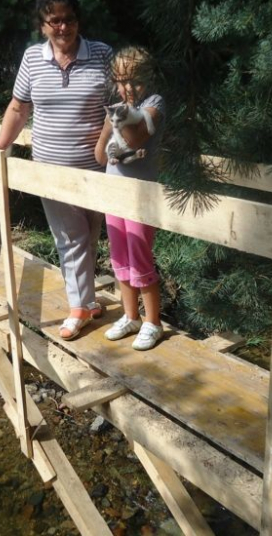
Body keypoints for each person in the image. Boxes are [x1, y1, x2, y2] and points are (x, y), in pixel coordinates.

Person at [0, 0, 111, 340]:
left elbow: (122, 102)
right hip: (50, 169)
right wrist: (0, 143)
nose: (62, 27)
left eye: (68, 19)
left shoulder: (102, 55)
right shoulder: (32, 59)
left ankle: (87, 299)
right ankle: (80, 307)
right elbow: (18, 107)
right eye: (54, 21)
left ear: (78, 20)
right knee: (70, 238)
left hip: (97, 169)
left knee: (90, 234)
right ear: (43, 25)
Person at [94, 47, 165, 350]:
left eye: (135, 81)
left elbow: (137, 138)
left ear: (148, 79)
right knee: (119, 255)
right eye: (121, 81)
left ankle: (153, 322)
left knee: (139, 253)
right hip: (115, 193)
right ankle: (130, 315)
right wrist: (112, 119)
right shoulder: (119, 110)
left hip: (140, 195)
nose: (127, 89)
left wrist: (119, 117)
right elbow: (100, 156)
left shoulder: (155, 103)